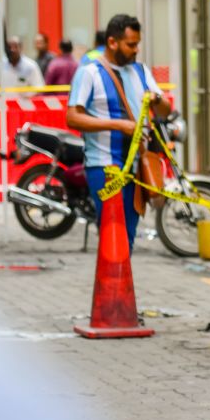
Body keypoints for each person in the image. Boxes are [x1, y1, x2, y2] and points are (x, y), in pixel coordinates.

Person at [66, 14, 171, 249]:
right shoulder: (89, 73)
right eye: (130, 44)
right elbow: (72, 117)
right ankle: (112, 286)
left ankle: (120, 286)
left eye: (137, 44)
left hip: (137, 168)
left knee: (128, 236)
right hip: (105, 167)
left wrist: (156, 99)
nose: (135, 50)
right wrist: (118, 125)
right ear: (113, 42)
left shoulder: (141, 71)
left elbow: (165, 110)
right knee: (113, 234)